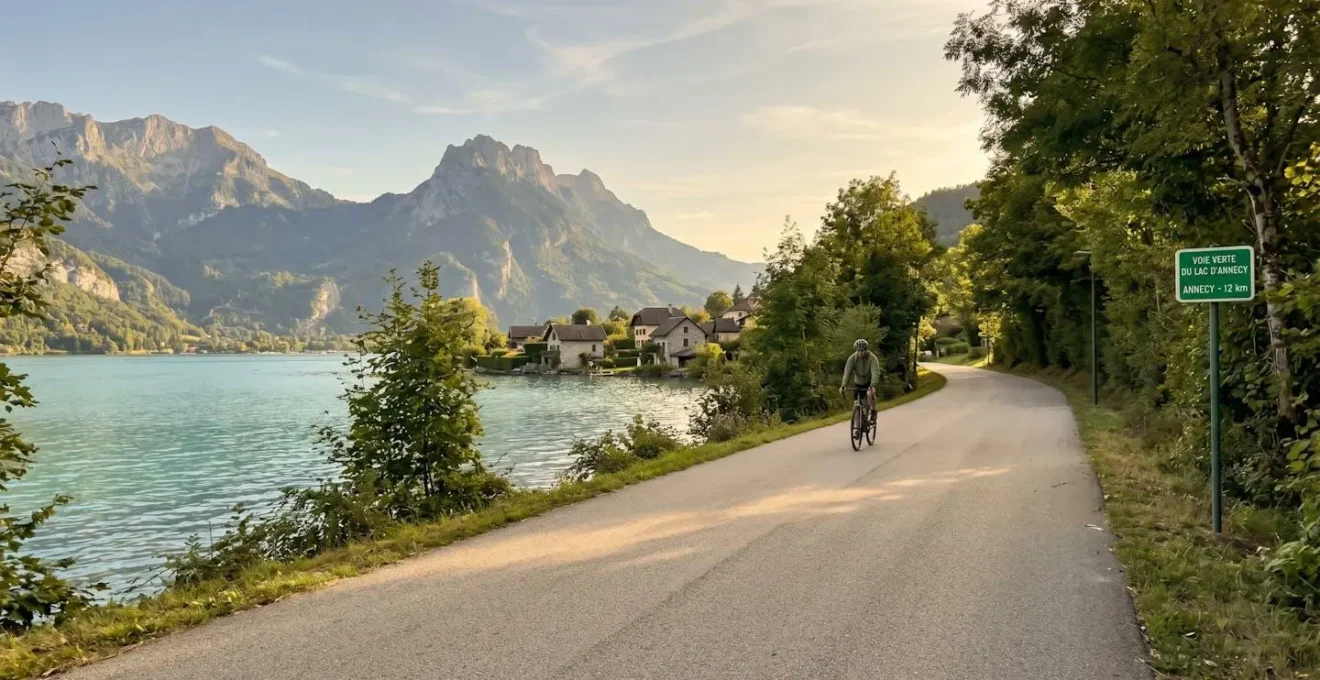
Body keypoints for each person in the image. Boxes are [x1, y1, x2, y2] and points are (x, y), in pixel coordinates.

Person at [840, 338, 881, 422]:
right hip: (858, 383)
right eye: (859, 350)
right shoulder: (852, 358)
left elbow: (875, 373)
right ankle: (857, 430)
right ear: (856, 350)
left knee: (870, 394)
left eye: (863, 350)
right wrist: (843, 385)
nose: (861, 352)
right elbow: (847, 373)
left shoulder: (872, 358)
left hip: (869, 383)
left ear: (866, 350)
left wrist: (873, 385)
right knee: (856, 406)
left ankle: (873, 411)